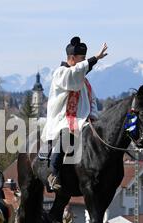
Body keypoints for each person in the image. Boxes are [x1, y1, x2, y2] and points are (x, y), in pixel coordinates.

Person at [41, 36, 108, 190]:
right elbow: (76, 72)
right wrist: (94, 58)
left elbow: (90, 98)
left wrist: (94, 116)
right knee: (68, 133)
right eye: (82, 59)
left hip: (82, 118)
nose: (84, 62)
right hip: (63, 118)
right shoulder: (61, 73)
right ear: (72, 58)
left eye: (85, 59)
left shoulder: (81, 79)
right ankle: (53, 172)